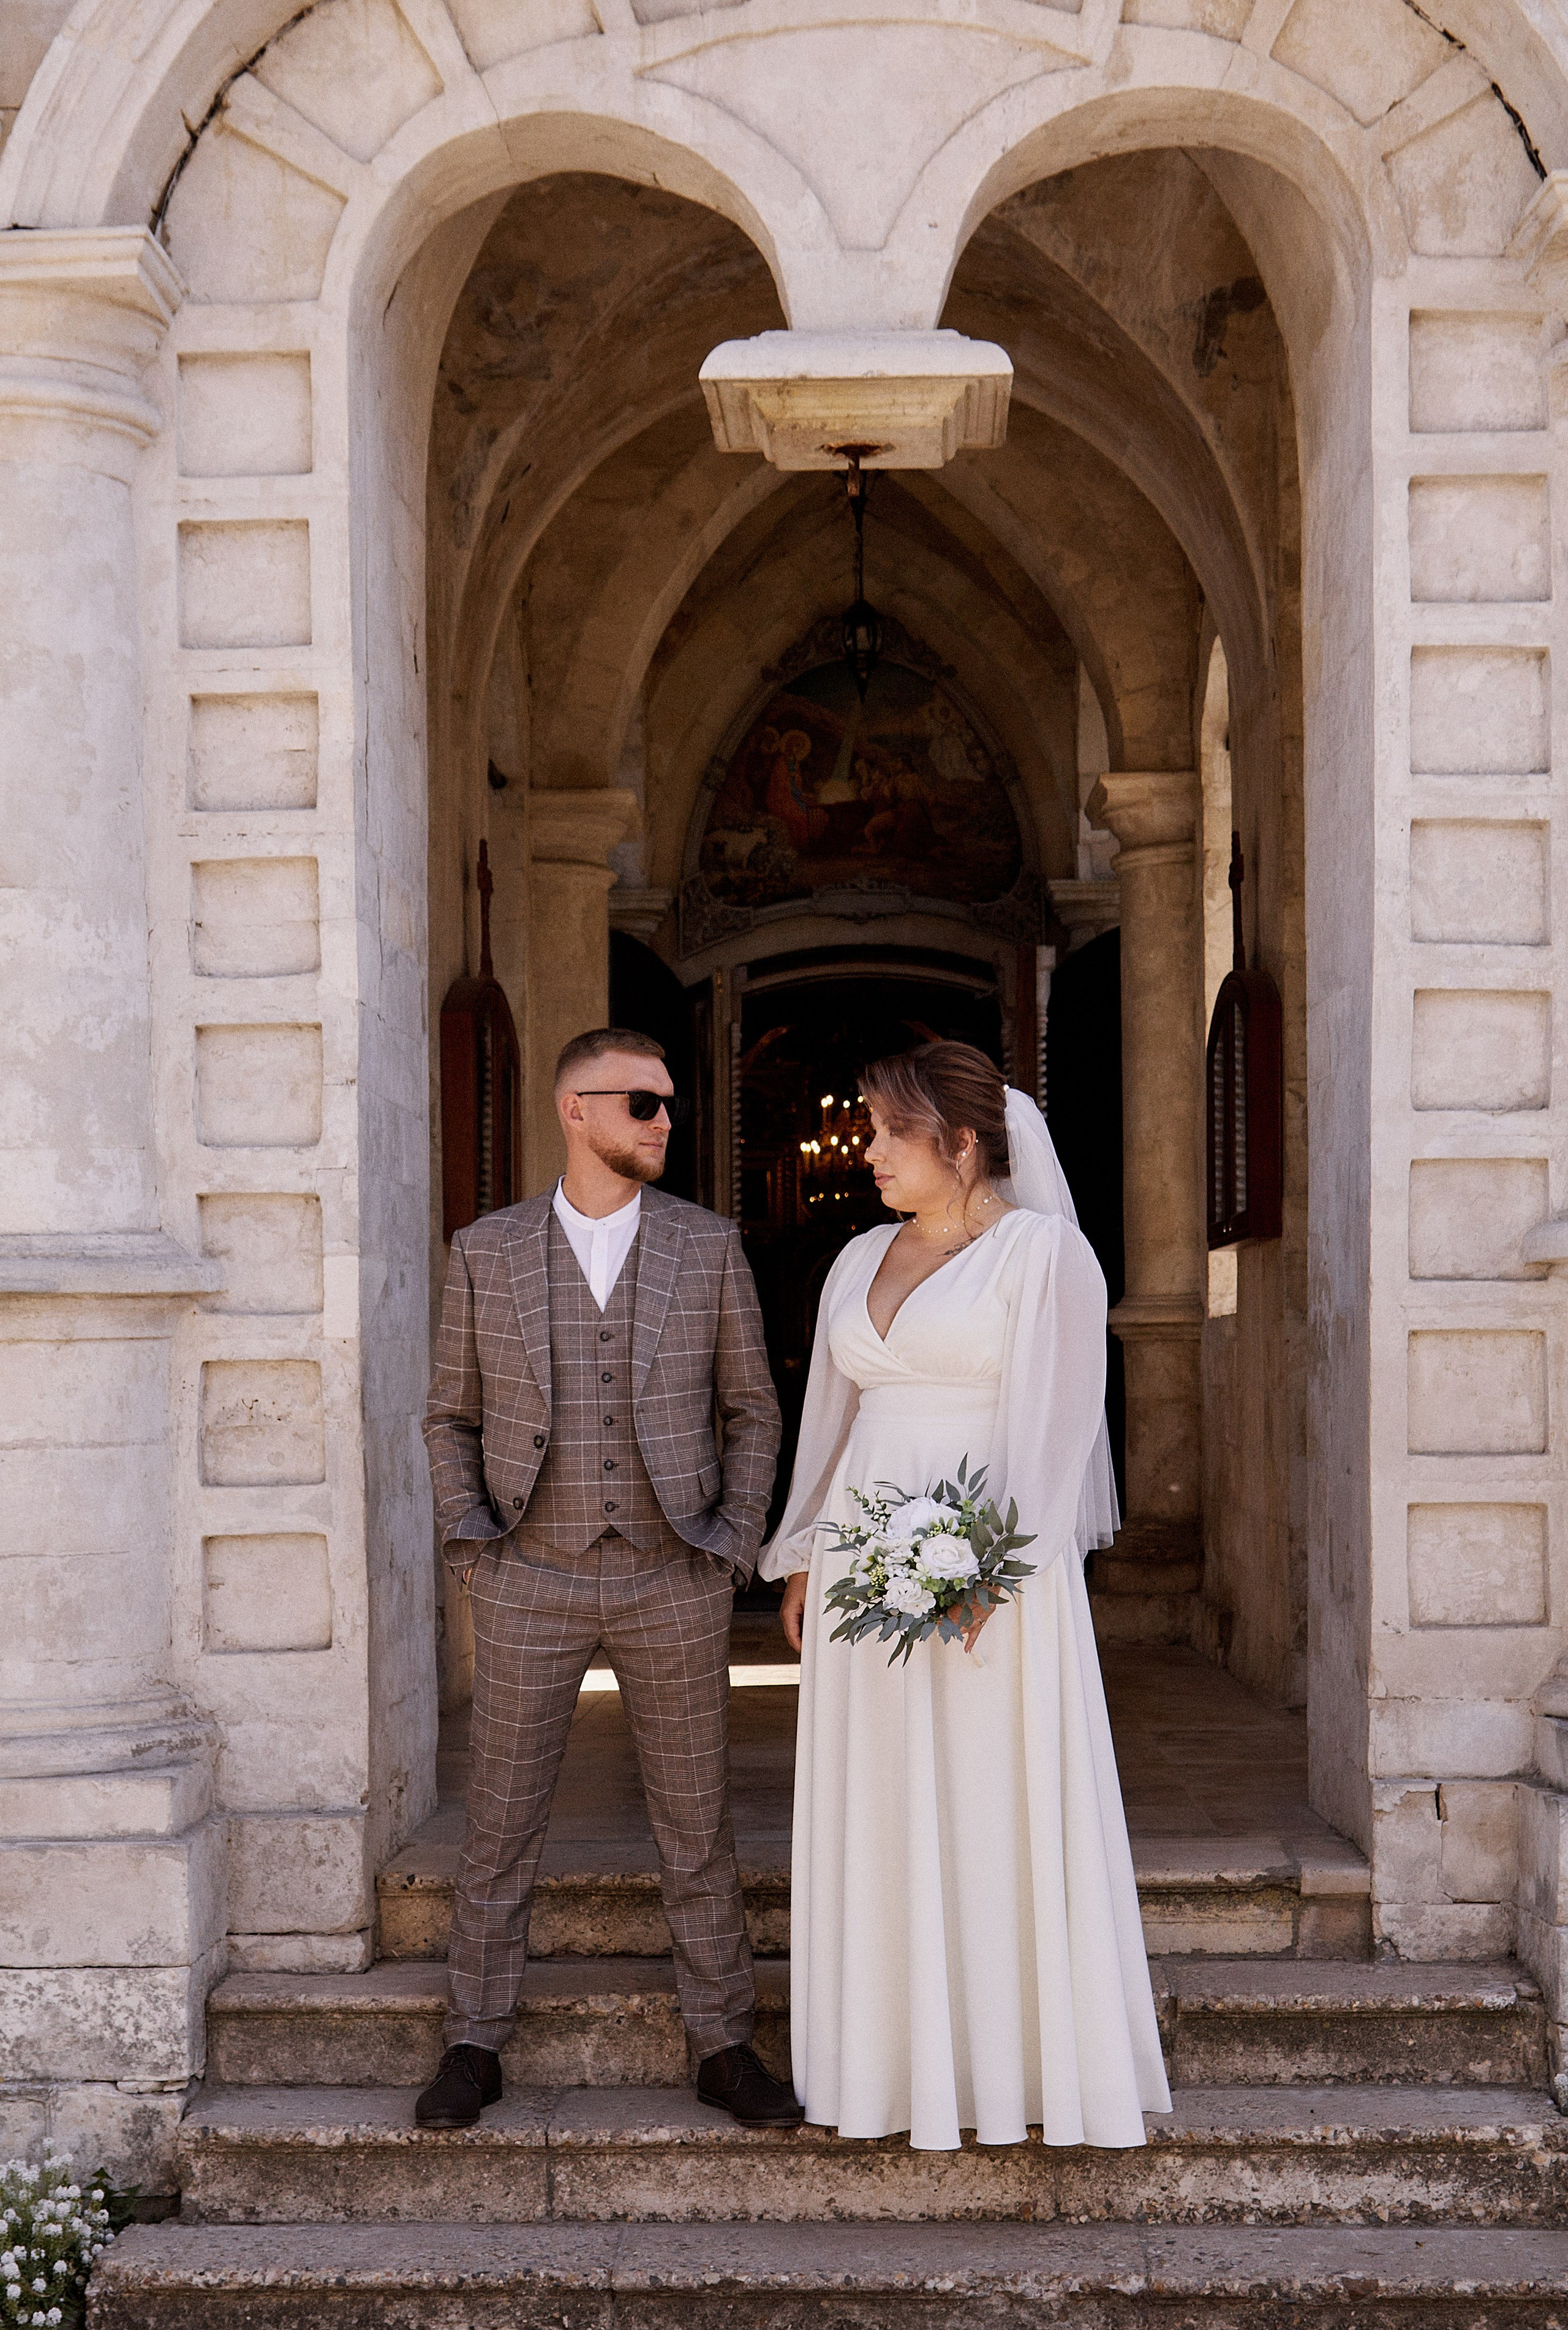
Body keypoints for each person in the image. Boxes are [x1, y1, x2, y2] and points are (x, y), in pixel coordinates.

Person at [763, 1040, 1170, 2151]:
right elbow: (833, 1422)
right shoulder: (857, 1258)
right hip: (862, 1563)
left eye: (893, 1132)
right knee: (879, 1795)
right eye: (868, 1129)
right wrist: (805, 1553)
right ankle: (884, 2068)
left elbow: (1057, 1426)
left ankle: (1008, 2065)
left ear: (962, 1139)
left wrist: (993, 1572)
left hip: (989, 1573)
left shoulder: (1045, 1257)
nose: (871, 1151)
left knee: (990, 1794)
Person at [418, 1027, 797, 2131]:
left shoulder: (708, 1244)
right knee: (499, 1822)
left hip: (672, 1573)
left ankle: (724, 2043)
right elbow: (451, 1415)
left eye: (669, 1104)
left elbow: (751, 1409)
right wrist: (473, 1543)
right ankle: (474, 2042)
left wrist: (729, 1542)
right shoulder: (485, 1250)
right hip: (526, 1573)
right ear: (574, 1109)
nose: (665, 1122)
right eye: (643, 1103)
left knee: (696, 1826)